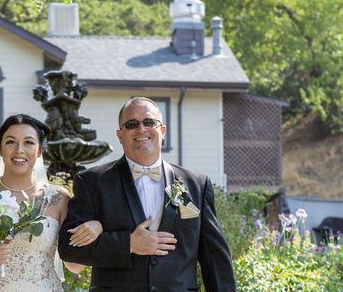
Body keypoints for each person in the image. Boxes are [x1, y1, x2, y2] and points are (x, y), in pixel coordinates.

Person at [58, 97, 236, 292]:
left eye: (149, 122)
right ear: (120, 134)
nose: (141, 129)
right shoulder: (92, 182)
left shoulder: (197, 185)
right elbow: (69, 249)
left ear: (163, 131)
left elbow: (216, 261)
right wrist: (128, 244)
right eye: (132, 124)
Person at [0, 114, 102, 291]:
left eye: (29, 142)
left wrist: (95, 226)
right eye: (10, 142)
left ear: (40, 150)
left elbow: (75, 265)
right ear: (0, 149)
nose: (19, 150)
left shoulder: (58, 198)